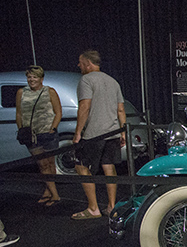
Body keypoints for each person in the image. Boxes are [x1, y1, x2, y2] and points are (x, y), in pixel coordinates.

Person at [71, 50, 126, 220]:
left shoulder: (86, 80)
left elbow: (85, 107)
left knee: (81, 167)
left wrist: (78, 132)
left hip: (94, 134)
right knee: (109, 167)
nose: (78, 65)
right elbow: (120, 109)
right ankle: (111, 206)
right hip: (113, 132)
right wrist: (122, 131)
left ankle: (93, 208)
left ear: (88, 63)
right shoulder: (113, 81)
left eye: (80, 62)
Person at [15, 65, 62, 207]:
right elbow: (19, 113)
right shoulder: (21, 92)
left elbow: (58, 112)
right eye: (29, 77)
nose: (31, 79)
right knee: (42, 164)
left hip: (48, 133)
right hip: (32, 135)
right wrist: (21, 129)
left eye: (34, 77)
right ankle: (55, 195)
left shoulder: (50, 91)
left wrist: (53, 128)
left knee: (50, 163)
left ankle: (49, 191)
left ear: (41, 78)